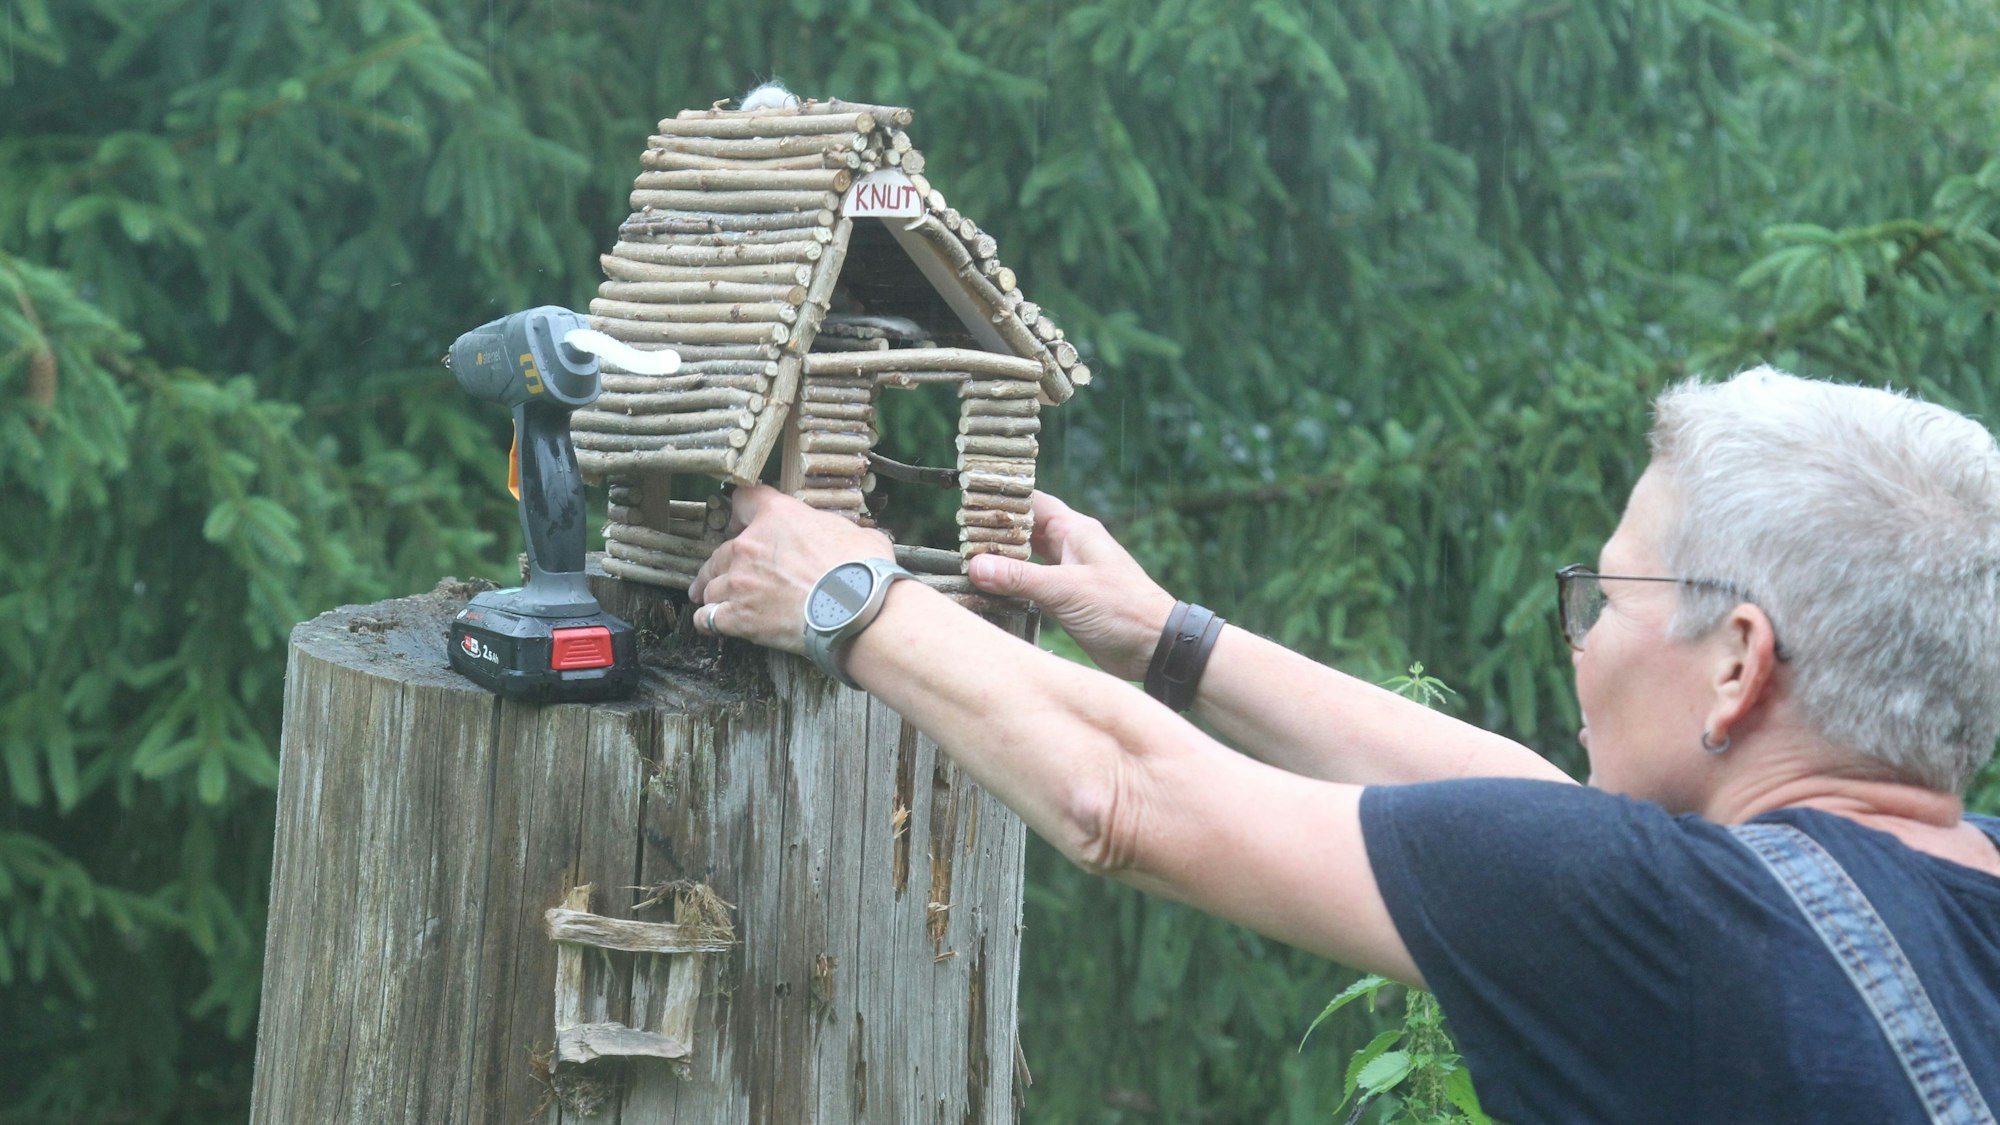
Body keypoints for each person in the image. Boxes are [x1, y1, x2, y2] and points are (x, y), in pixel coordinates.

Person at [688, 366, 2000, 1123]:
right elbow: (1540, 814)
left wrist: (845, 596)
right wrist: (1168, 639)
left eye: (1605, 598)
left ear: (1740, 664)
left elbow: (1121, 799)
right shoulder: (1925, 900)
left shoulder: (1655, 922)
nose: (1582, 640)